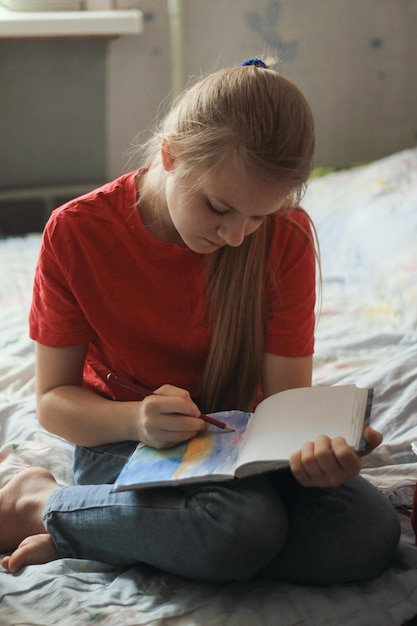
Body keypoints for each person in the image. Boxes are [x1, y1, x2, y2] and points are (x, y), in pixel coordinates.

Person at [0, 58, 400, 584]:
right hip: (126, 442)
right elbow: (53, 401)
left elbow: (284, 407)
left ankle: (123, 531)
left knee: (366, 535)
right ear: (171, 154)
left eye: (258, 216)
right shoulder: (77, 233)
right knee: (240, 526)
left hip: (243, 452)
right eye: (219, 207)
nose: (236, 236)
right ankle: (40, 500)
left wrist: (317, 454)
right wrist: (136, 418)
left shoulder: (286, 236)